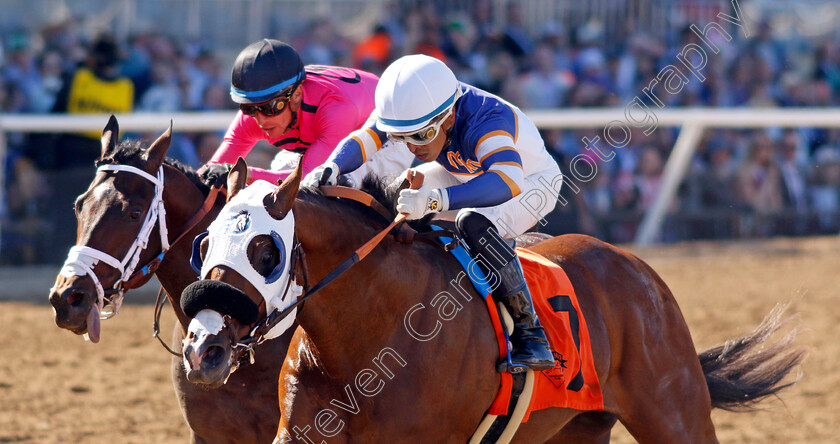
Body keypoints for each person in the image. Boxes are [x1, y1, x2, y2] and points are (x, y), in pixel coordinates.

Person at [304, 54, 562, 371]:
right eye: (403, 137)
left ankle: (530, 334)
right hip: (469, 173)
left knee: (474, 222)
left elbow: (507, 180)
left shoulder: (485, 119)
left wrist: (435, 201)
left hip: (531, 183)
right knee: (396, 196)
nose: (413, 148)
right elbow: (367, 138)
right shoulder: (414, 107)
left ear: (450, 118)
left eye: (421, 135)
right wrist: (332, 166)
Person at [201, 39, 412, 185]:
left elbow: (309, 179)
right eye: (249, 109)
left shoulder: (336, 109)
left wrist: (246, 173)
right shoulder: (254, 115)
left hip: (387, 139)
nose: (260, 119)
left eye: (269, 108)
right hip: (324, 139)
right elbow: (211, 172)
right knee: (274, 174)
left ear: (296, 95)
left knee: (334, 185)